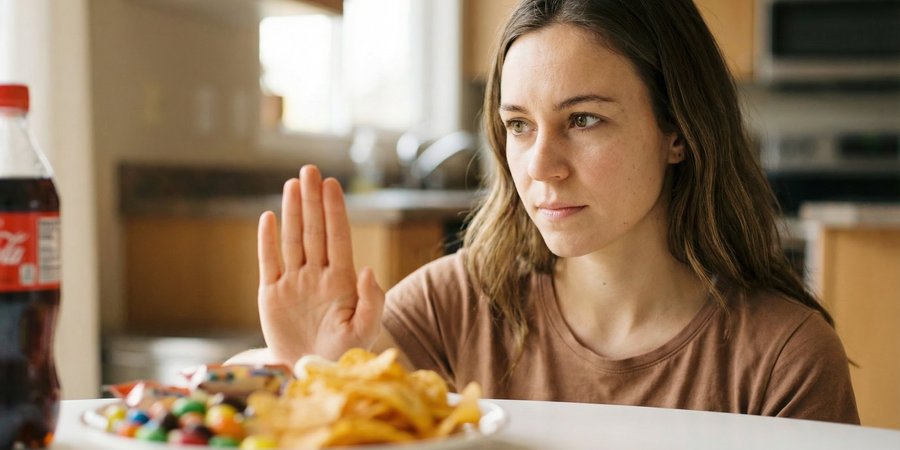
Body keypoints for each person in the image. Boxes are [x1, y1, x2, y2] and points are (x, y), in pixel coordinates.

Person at [229, 0, 859, 424]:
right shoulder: (459, 305)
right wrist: (306, 374)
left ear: (678, 131)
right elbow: (222, 400)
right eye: (519, 125)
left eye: (583, 120)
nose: (539, 165)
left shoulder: (785, 359)